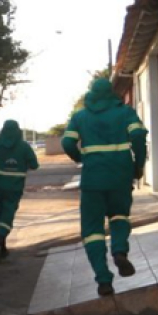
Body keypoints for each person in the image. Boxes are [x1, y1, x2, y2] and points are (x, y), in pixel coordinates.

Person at [61, 78, 148, 297]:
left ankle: (104, 280)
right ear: (111, 93)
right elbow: (138, 136)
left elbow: (67, 142)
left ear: (91, 93)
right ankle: (119, 251)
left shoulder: (80, 116)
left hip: (93, 180)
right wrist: (137, 165)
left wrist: (80, 157)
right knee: (119, 216)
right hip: (120, 176)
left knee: (92, 231)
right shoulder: (125, 112)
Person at [0, 120, 39, 265]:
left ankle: (3, 247)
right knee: (8, 214)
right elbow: (34, 165)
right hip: (15, 186)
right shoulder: (24, 147)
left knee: (0, 212)